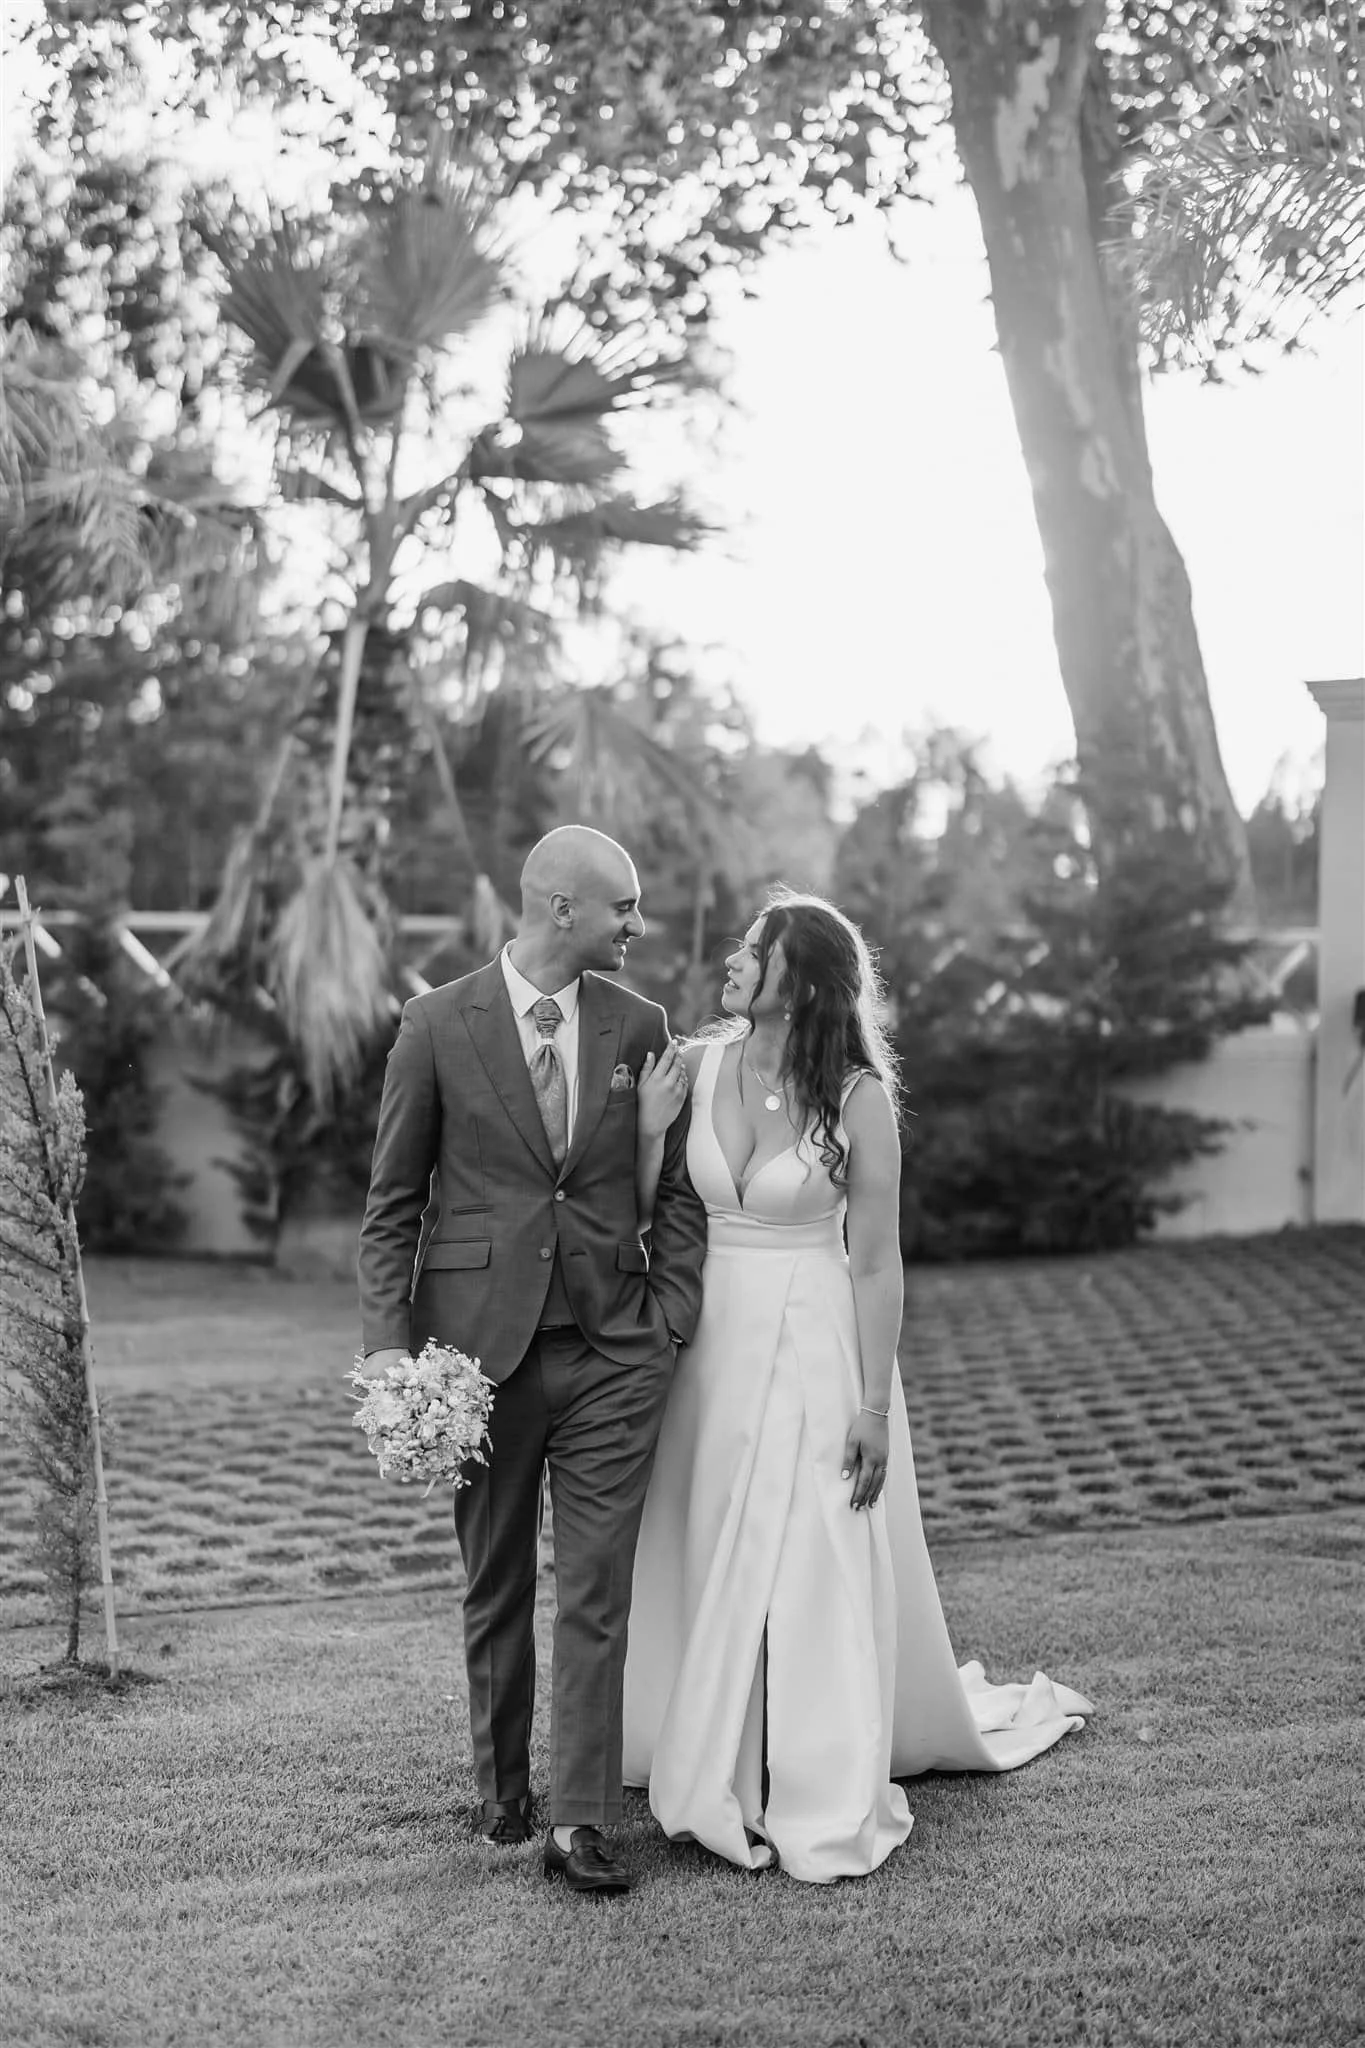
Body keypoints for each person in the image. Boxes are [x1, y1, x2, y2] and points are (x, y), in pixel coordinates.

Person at [623, 891, 1093, 1884]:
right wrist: (647, 1135)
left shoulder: (858, 1098)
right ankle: (713, 1739)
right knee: (708, 1539)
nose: (734, 959)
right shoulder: (694, 1066)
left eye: (757, 950)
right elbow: (641, 1210)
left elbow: (876, 1262)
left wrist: (873, 1407)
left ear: (802, 983)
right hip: (707, 1344)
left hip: (816, 1341)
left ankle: (818, 1772)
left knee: (812, 1549)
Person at [358, 826, 707, 1898]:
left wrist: (669, 1316)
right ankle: (503, 1794)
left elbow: (676, 1189)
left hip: (611, 1352)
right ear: (563, 907)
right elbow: (391, 1209)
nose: (638, 924)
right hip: (479, 1360)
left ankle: (578, 1820)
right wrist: (391, 1359)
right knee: (496, 1583)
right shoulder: (434, 1023)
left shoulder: (641, 1025)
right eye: (624, 907)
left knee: (595, 1589)